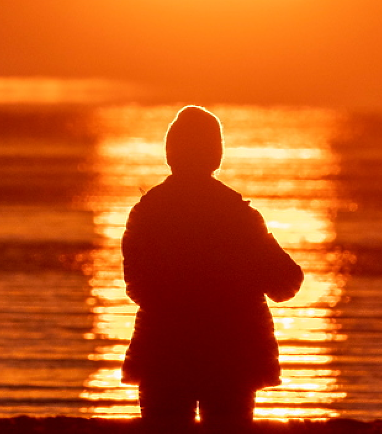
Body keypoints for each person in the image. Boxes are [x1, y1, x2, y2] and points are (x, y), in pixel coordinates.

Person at [121, 105, 304, 433]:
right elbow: (286, 283)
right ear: (216, 156)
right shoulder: (240, 217)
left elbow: (137, 286)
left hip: (164, 351)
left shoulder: (146, 213)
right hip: (231, 354)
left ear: (170, 154)